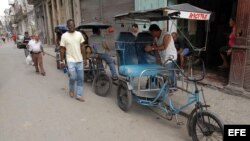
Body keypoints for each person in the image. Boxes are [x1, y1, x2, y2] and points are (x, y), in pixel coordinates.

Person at [60, 19, 86, 102]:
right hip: (70, 60)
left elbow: (82, 46)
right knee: (73, 77)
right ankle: (71, 90)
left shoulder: (79, 34)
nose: (72, 27)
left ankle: (79, 95)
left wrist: (85, 58)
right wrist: (62, 61)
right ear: (67, 26)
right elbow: (62, 49)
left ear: (75, 25)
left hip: (79, 60)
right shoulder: (64, 36)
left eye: (73, 25)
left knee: (81, 78)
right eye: (70, 25)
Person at [145, 24, 177, 88]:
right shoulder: (156, 38)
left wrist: (152, 48)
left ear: (155, 31)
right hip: (163, 58)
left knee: (169, 73)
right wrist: (158, 58)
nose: (152, 35)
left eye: (152, 33)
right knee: (166, 73)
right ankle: (169, 86)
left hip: (171, 57)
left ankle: (171, 87)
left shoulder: (166, 35)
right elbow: (156, 47)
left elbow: (164, 46)